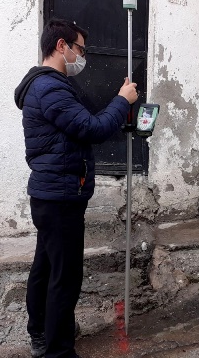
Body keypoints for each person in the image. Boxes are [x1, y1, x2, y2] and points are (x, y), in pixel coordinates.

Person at [14, 18, 138, 357]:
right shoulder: (50, 87)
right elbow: (92, 129)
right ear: (61, 46)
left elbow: (78, 126)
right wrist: (122, 100)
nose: (82, 56)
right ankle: (57, 351)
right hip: (60, 196)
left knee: (46, 267)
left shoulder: (46, 85)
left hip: (51, 193)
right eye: (79, 48)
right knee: (64, 278)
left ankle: (42, 331)